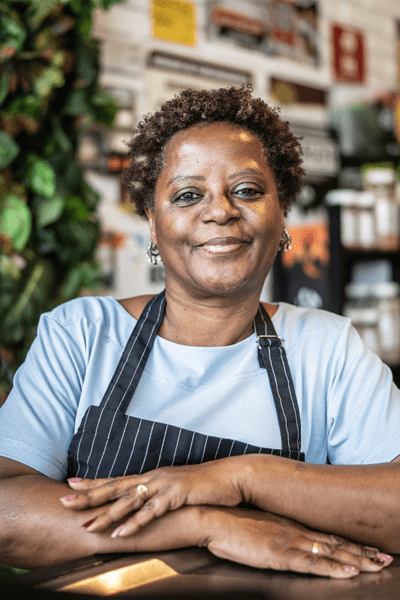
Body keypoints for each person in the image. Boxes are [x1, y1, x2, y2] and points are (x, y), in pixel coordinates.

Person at [0, 86, 400, 578]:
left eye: (248, 190)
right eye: (189, 195)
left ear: (283, 214)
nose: (221, 211)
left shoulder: (328, 347)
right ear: (152, 222)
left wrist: (243, 478)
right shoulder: (82, 335)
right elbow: (7, 517)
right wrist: (205, 524)